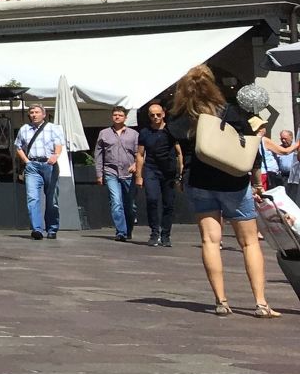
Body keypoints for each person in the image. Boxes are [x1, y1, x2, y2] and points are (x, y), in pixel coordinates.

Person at [170, 64, 277, 317]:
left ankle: (221, 301)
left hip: (199, 181)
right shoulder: (229, 111)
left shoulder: (181, 117)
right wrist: (257, 181)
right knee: (250, 242)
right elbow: (251, 147)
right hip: (233, 182)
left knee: (210, 240)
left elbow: (174, 142)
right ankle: (261, 303)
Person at [14, 102, 66, 240]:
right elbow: (18, 146)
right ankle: (36, 229)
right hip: (33, 165)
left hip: (49, 164)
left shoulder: (53, 128)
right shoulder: (24, 129)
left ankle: (52, 228)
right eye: (31, 113)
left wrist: (55, 155)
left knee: (52, 198)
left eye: (37, 112)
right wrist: (26, 161)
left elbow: (59, 144)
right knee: (32, 198)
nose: (34, 115)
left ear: (43, 114)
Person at [135, 101, 180, 249]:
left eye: (158, 114)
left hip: (168, 171)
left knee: (168, 204)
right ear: (149, 116)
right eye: (152, 115)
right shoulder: (145, 132)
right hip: (151, 169)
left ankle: (166, 235)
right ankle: (154, 233)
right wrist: (139, 176)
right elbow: (140, 154)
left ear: (163, 114)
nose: (155, 117)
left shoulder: (171, 131)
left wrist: (180, 173)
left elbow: (179, 153)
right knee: (152, 199)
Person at [95, 105, 141, 243]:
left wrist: (136, 165)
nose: (117, 117)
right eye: (115, 115)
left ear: (125, 117)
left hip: (129, 173)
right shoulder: (104, 133)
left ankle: (128, 229)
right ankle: (120, 231)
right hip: (111, 172)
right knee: (116, 202)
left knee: (130, 205)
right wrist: (99, 174)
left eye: (120, 115)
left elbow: (139, 153)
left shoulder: (134, 134)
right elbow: (98, 154)